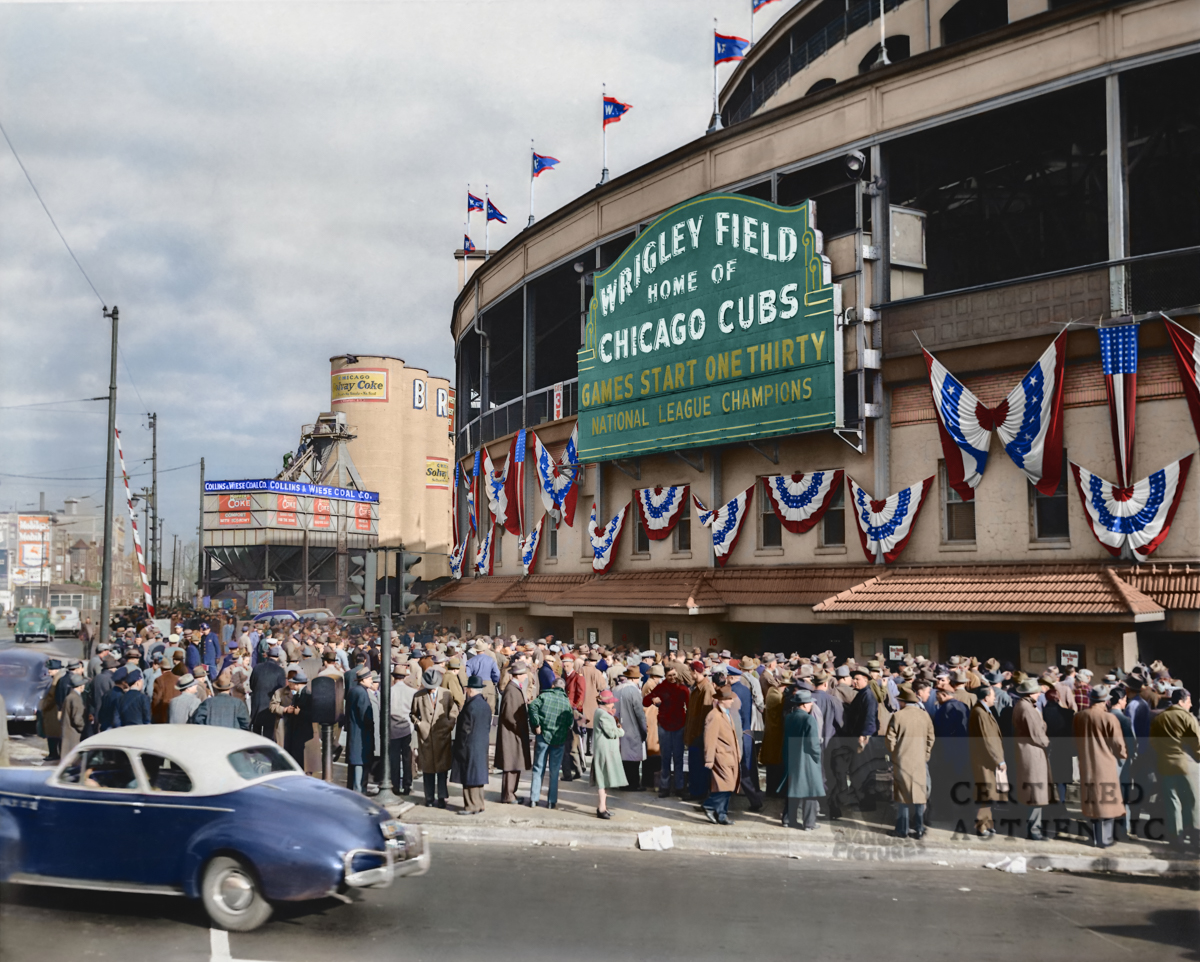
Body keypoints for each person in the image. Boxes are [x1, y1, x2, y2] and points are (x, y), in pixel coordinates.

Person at [1073, 683, 1127, 849]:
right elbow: (1118, 745)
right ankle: (1106, 839)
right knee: (1107, 803)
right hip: (1106, 764)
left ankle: (1095, 837)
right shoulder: (1110, 718)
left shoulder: (1079, 716)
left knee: (1092, 801)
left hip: (1087, 763)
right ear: (1106, 700)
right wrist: (1123, 755)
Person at [1149, 688, 1200, 851]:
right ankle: (1195, 839)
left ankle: (1175, 838)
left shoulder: (1160, 718)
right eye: (1189, 701)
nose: (1191, 705)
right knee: (1192, 802)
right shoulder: (1187, 717)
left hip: (1165, 764)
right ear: (1182, 701)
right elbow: (1197, 743)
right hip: (1186, 764)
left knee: (1172, 801)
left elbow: (1153, 742)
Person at [885, 687, 935, 840]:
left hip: (902, 760)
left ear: (903, 702)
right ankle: (919, 829)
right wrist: (925, 755)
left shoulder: (897, 716)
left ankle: (902, 829)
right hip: (920, 760)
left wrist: (894, 754)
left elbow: (889, 740)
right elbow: (930, 738)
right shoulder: (925, 716)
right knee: (919, 796)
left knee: (902, 797)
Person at [1012, 677, 1054, 840]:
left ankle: (1032, 828)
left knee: (1032, 791)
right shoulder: (1027, 708)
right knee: (1035, 792)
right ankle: (1034, 830)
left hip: (1027, 750)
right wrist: (1047, 743)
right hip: (1032, 752)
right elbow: (1037, 733)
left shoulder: (1023, 705)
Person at [779, 688, 823, 830]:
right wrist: (817, 757)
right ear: (804, 704)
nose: (811, 705)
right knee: (811, 791)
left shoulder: (789, 717)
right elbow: (813, 743)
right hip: (807, 758)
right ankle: (809, 823)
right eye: (810, 703)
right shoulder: (809, 719)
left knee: (793, 789)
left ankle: (788, 819)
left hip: (792, 756)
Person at [413, 667, 457, 808]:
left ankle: (442, 797)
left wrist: (450, 725)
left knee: (442, 770)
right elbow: (413, 713)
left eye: (434, 687)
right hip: (425, 738)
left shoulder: (447, 694)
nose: (431, 689)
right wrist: (419, 724)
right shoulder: (418, 696)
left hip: (442, 737)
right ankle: (429, 798)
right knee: (428, 770)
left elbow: (454, 711)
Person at [527, 677, 574, 809]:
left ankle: (533, 799)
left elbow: (532, 707)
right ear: (563, 688)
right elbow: (570, 723)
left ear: (553, 686)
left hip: (543, 736)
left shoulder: (544, 696)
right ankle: (551, 801)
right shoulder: (566, 702)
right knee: (554, 771)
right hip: (559, 739)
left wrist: (536, 723)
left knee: (538, 768)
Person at [967, 686, 1006, 838]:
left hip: (986, 759)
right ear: (985, 697)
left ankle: (988, 824)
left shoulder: (982, 711)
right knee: (986, 793)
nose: (994, 698)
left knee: (989, 794)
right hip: (985, 760)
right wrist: (999, 760)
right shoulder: (980, 712)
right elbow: (988, 740)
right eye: (992, 695)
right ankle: (981, 826)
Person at [646, 665, 689, 798]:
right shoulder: (661, 687)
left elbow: (690, 705)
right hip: (664, 725)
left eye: (674, 675)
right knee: (665, 758)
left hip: (679, 725)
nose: (672, 678)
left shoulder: (683, 688)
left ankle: (679, 786)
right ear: (665, 675)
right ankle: (664, 787)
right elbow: (646, 701)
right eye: (670, 675)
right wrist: (653, 699)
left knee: (678, 758)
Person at [452, 676, 492, 815]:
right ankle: (479, 804)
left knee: (469, 777)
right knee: (478, 776)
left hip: (469, 745)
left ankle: (471, 806)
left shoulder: (470, 706)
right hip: (481, 744)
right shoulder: (485, 705)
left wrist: (460, 745)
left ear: (470, 690)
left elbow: (465, 729)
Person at [701, 686, 742, 826]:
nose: (732, 701)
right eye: (729, 699)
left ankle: (722, 815)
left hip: (729, 756)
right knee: (726, 786)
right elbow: (709, 739)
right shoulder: (714, 716)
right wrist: (709, 759)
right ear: (722, 700)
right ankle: (709, 805)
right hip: (721, 757)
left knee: (727, 787)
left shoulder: (726, 713)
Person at [495, 662, 532, 803]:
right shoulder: (512, 690)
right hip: (512, 734)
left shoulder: (514, 688)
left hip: (514, 733)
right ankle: (508, 795)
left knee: (515, 764)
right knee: (511, 765)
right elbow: (509, 715)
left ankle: (511, 793)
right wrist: (520, 729)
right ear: (520, 675)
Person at [591, 690, 626, 818]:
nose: (613, 706)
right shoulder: (604, 715)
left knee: (604, 779)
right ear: (605, 703)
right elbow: (611, 733)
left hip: (603, 749)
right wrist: (620, 730)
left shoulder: (599, 712)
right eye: (611, 703)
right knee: (603, 779)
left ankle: (603, 807)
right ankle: (601, 808)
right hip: (606, 750)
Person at [615, 667, 648, 791]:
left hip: (618, 726)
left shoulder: (616, 689)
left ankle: (622, 782)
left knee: (622, 756)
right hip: (632, 727)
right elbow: (639, 713)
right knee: (633, 759)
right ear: (636, 678)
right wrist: (644, 730)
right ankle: (633, 784)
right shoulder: (634, 691)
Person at [249, 646, 287, 741]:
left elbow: (251, 684)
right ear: (277, 657)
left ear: (268, 656)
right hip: (270, 704)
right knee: (269, 732)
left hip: (257, 702)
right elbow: (281, 689)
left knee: (255, 732)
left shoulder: (257, 667)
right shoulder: (279, 670)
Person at [389, 663, 416, 796]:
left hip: (392, 729)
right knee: (407, 758)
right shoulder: (412, 692)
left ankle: (394, 785)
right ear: (405, 677)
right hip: (407, 728)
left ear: (394, 677)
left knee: (394, 759)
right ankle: (407, 785)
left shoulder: (388, 691)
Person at [60, 673, 87, 756]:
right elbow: (77, 720)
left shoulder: (69, 696)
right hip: (73, 735)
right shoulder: (76, 698)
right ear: (81, 686)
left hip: (67, 733)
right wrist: (84, 729)